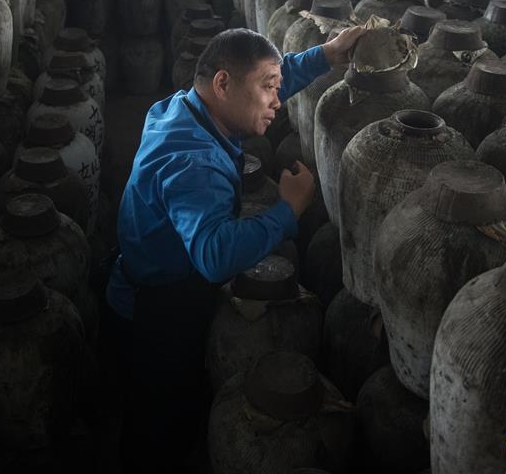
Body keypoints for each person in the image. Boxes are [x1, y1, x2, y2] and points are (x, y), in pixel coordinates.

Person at [104, 25, 366, 471]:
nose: (277, 101)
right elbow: (213, 256)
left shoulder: (183, 110)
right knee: (158, 429)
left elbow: (265, 79)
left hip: (143, 279)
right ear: (222, 83)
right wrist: (287, 211)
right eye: (269, 89)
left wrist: (326, 55)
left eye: (276, 87)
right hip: (157, 311)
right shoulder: (193, 163)